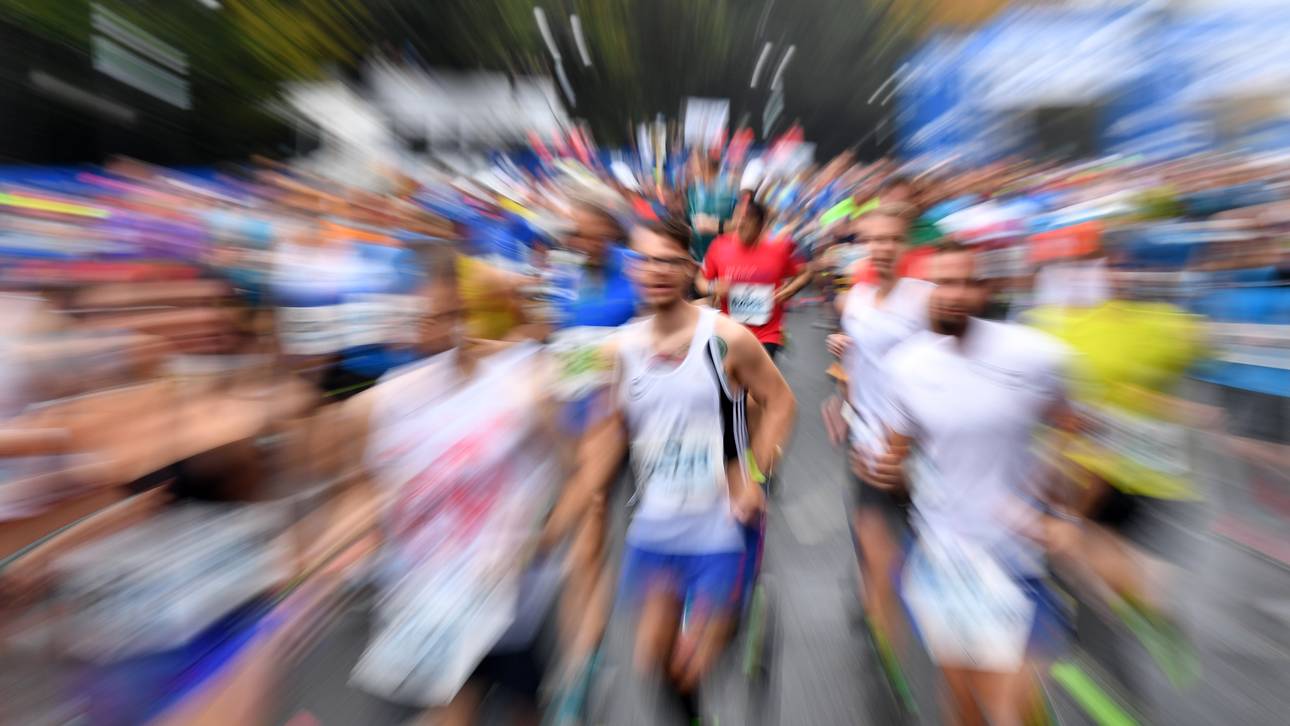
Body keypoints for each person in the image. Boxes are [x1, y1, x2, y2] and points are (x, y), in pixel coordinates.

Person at [543, 216, 795, 723]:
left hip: (723, 520)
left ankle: (745, 622)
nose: (655, 270)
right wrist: (560, 518)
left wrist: (755, 474)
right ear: (632, 268)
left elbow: (781, 402)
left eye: (667, 261)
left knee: (693, 657)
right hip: (658, 518)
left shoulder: (727, 339)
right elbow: (551, 387)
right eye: (645, 260)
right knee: (653, 658)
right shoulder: (617, 349)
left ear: (689, 268)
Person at [319, 245, 567, 726]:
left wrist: (545, 533)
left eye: (447, 315)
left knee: (522, 706)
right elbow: (361, 490)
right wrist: (341, 548)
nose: (432, 329)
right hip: (424, 594)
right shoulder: (377, 405)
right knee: (456, 706)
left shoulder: (522, 386)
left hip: (506, 594)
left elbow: (571, 468)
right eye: (422, 316)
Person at [865, 243, 1071, 726]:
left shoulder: (1036, 355)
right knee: (964, 705)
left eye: (966, 283)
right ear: (927, 290)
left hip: (1016, 557)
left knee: (1008, 706)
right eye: (943, 283)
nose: (954, 295)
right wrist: (888, 471)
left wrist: (1063, 512)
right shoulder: (907, 366)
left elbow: (1074, 431)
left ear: (988, 289)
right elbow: (896, 455)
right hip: (948, 559)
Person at [821, 204, 934, 707]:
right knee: (874, 546)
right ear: (863, 246)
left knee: (920, 551)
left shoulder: (927, 299)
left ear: (905, 244)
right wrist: (840, 399)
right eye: (874, 240)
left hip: (922, 451)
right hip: (869, 443)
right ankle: (892, 678)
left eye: (892, 239)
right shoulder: (855, 300)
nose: (883, 248)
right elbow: (855, 367)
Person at [697, 200, 812, 360]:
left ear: (761, 225)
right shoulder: (719, 246)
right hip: (729, 330)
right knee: (727, 375)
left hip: (767, 333)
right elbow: (700, 280)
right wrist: (712, 288)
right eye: (738, 220)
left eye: (747, 221)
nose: (740, 225)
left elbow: (806, 272)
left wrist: (791, 290)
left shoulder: (778, 247)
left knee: (755, 374)